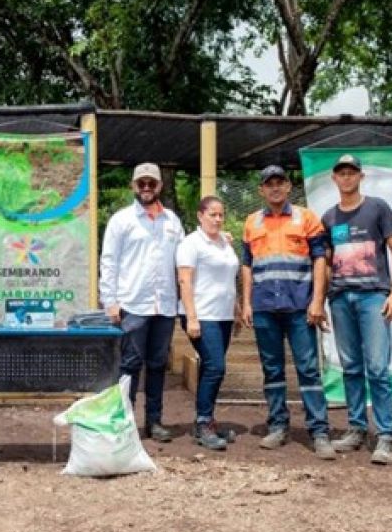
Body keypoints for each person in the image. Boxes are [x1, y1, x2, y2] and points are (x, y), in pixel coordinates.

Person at [240, 164, 336, 459]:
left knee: (308, 369)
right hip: (265, 307)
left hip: (299, 307)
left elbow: (321, 259)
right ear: (261, 190)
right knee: (272, 370)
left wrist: (318, 300)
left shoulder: (306, 218)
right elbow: (247, 265)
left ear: (288, 187)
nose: (275, 188)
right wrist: (246, 302)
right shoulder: (252, 222)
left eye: (280, 182)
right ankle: (278, 426)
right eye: (269, 183)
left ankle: (319, 432)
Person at [322, 154, 392, 465]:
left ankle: (385, 435)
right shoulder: (329, 218)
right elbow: (327, 263)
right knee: (351, 367)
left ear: (361, 176)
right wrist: (322, 300)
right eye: (341, 173)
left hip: (373, 297)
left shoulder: (377, 208)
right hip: (341, 299)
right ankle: (357, 428)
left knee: (377, 368)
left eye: (352, 172)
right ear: (334, 178)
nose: (346, 178)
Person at [99, 162, 184, 442]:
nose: (146, 188)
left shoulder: (172, 221)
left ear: (160, 186)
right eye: (141, 183)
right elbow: (108, 262)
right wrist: (109, 301)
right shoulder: (121, 220)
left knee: (158, 364)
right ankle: (123, 421)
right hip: (133, 304)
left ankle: (154, 421)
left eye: (151, 183)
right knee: (129, 365)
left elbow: (184, 260)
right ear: (133, 186)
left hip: (165, 305)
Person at [177, 196, 240, 451]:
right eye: (212, 214)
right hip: (201, 316)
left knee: (209, 367)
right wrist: (191, 317)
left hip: (223, 315)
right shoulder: (191, 244)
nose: (217, 219)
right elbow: (185, 281)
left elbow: (227, 278)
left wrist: (234, 310)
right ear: (200, 216)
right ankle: (203, 423)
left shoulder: (225, 242)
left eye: (220, 214)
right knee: (216, 367)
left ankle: (207, 421)